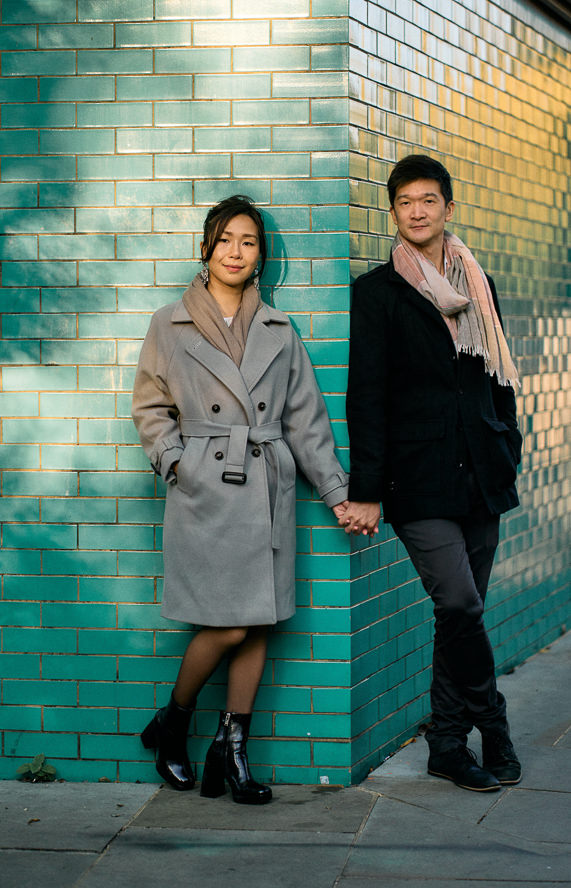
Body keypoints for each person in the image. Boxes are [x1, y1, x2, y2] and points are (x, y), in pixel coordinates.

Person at [132, 195, 348, 804]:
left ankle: (231, 749)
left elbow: (306, 419)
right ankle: (175, 721)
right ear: (206, 247)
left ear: (261, 256)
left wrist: (334, 492)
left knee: (257, 623)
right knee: (228, 626)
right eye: (226, 239)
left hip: (266, 489)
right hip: (206, 490)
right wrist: (176, 462)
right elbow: (150, 406)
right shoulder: (168, 323)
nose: (236, 251)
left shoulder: (279, 329)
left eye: (248, 242)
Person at [340, 155, 523, 793]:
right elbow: (366, 397)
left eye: (427, 200)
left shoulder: (479, 283)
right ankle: (493, 725)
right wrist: (365, 488)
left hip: (482, 471)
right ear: (393, 213)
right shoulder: (377, 294)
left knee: (460, 616)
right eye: (404, 203)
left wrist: (511, 441)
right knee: (460, 601)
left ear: (448, 206)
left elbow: (497, 377)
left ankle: (447, 744)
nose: (416, 211)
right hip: (417, 480)